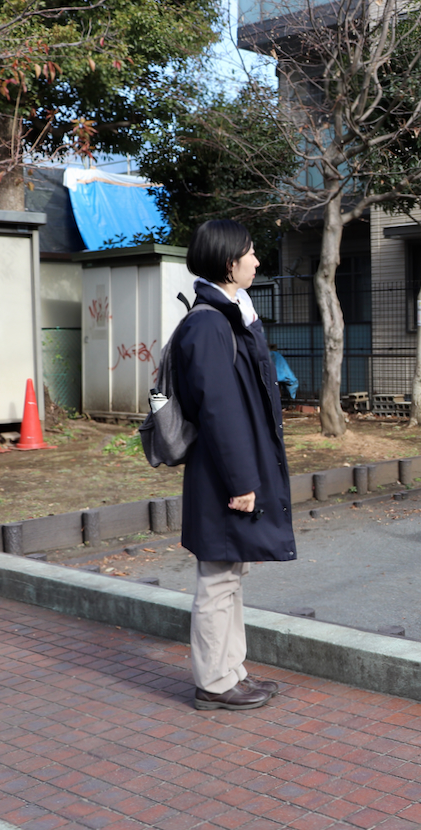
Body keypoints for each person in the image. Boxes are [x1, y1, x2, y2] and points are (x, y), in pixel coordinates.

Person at [172, 219, 297, 711]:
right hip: (222, 476)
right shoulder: (208, 324)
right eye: (250, 253)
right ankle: (215, 681)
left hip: (226, 472)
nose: (257, 261)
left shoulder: (227, 316)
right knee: (218, 578)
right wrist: (243, 482)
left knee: (230, 575)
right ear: (229, 262)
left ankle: (231, 672)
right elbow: (219, 410)